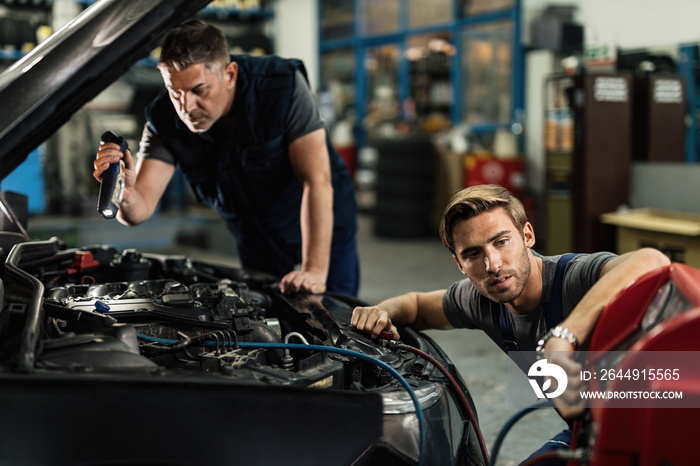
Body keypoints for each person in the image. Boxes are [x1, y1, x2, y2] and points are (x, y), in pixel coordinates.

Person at [351, 184, 670, 463]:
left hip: (664, 430)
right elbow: (417, 306)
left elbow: (652, 261)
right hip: (592, 435)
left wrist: (562, 338)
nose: (492, 264)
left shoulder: (571, 279)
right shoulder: (482, 301)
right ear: (459, 264)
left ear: (527, 235)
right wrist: (380, 311)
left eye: (501, 242)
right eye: (473, 254)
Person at [93, 20, 359, 296]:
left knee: (332, 317)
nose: (186, 108)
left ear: (230, 74)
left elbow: (317, 181)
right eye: (176, 93)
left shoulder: (281, 87)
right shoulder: (164, 119)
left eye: (199, 90)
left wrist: (314, 271)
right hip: (256, 238)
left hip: (323, 227)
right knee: (270, 317)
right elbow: (140, 209)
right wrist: (126, 192)